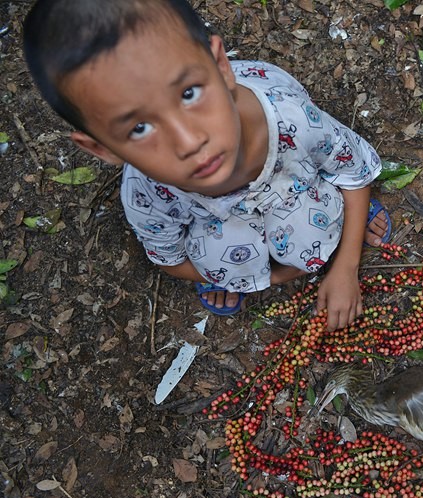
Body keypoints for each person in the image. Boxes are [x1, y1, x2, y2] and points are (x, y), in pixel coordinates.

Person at [23, 0, 391, 329]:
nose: (189, 141)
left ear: (221, 65)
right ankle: (238, 265)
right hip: (222, 226)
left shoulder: (293, 121)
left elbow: (354, 171)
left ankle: (339, 212)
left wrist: (346, 266)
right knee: (220, 262)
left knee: (324, 216)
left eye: (189, 93)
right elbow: (168, 256)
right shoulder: (146, 191)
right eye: (139, 128)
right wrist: (261, 278)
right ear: (102, 148)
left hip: (291, 177)